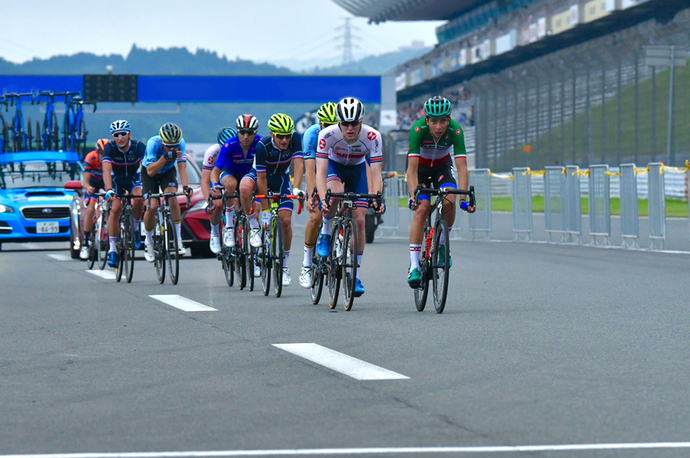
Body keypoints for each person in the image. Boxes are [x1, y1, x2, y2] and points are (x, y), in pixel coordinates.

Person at [315, 97, 384, 297]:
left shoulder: (373, 136)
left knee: (360, 220)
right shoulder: (327, 135)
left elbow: (376, 172)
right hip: (334, 167)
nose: (350, 128)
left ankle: (355, 275)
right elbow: (320, 172)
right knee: (334, 195)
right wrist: (322, 200)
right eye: (345, 123)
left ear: (361, 121)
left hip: (357, 170)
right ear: (339, 123)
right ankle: (326, 231)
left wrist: (376, 197)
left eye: (354, 123)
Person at [406, 95, 475, 288]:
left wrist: (464, 199)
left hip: (441, 168)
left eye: (443, 121)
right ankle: (413, 266)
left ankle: (442, 244)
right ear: (426, 120)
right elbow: (411, 170)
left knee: (449, 199)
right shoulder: (418, 130)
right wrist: (413, 195)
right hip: (420, 169)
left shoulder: (455, 130)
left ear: (449, 119)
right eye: (434, 122)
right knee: (422, 208)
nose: (438, 127)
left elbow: (462, 168)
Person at [238, 113, 304, 286]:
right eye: (280, 136)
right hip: (261, 176)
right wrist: (265, 212)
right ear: (272, 133)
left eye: (287, 136)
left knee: (286, 221)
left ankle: (284, 266)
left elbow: (298, 165)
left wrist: (296, 188)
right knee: (244, 188)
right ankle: (253, 225)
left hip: (281, 178)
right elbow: (261, 180)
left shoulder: (295, 139)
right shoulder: (262, 146)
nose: (284, 140)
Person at [298, 102, 338, 288]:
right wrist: (312, 195)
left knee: (344, 203)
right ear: (319, 123)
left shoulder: (342, 132)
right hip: (317, 169)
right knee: (315, 216)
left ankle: (339, 246)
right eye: (325, 125)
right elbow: (310, 169)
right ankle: (306, 263)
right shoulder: (311, 134)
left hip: (334, 168)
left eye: (332, 125)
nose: (328, 129)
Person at [211, 115, 262, 253]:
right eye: (242, 132)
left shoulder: (260, 143)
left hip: (251, 178)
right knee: (231, 184)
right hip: (230, 174)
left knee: (256, 212)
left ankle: (255, 257)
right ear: (237, 131)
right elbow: (215, 170)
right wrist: (215, 184)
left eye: (250, 133)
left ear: (255, 132)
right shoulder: (230, 145)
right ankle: (229, 226)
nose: (246, 136)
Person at [142, 122, 192, 262]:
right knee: (152, 206)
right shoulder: (153, 143)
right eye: (168, 145)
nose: (172, 148)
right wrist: (165, 157)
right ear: (162, 141)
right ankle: (149, 242)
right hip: (150, 172)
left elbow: (182, 168)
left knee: (172, 197)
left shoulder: (181, 143)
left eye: (175, 145)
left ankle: (178, 238)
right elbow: (150, 172)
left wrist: (186, 187)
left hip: (167, 173)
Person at [102, 120, 146, 268]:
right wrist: (109, 190)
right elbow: (106, 171)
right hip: (117, 180)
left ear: (129, 134)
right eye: (116, 135)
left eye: (123, 134)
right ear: (113, 137)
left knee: (139, 198)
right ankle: (113, 250)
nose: (120, 138)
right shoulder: (110, 148)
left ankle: (134, 228)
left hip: (133, 178)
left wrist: (148, 187)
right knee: (115, 208)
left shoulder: (138, 146)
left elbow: (146, 168)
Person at [202, 127, 237, 254]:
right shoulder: (213, 152)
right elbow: (205, 181)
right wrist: (209, 201)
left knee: (240, 205)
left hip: (231, 175)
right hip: (216, 177)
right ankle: (215, 232)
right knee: (217, 204)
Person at [79, 138, 109, 260]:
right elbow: (85, 182)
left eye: (105, 154)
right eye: (102, 154)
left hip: (106, 184)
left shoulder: (111, 160)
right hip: (93, 185)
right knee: (90, 209)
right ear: (97, 153)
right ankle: (85, 242)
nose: (103, 157)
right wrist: (88, 188)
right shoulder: (91, 158)